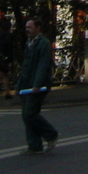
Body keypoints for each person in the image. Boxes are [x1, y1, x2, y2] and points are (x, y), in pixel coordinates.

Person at [16, 17, 58, 154]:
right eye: (26, 27)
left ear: (38, 28)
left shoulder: (43, 43)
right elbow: (26, 66)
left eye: (30, 27)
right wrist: (19, 85)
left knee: (30, 114)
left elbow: (43, 65)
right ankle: (34, 145)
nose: (27, 30)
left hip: (38, 85)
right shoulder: (29, 42)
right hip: (27, 84)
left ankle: (51, 134)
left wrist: (37, 84)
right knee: (26, 114)